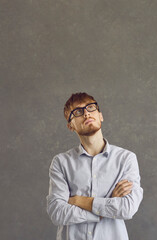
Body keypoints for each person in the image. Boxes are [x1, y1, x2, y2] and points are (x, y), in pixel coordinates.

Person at [46, 92, 143, 240]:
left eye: (91, 108)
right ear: (70, 126)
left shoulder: (126, 159)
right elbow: (57, 213)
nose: (86, 113)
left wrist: (78, 201)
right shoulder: (61, 162)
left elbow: (127, 208)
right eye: (77, 112)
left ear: (100, 116)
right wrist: (106, 206)